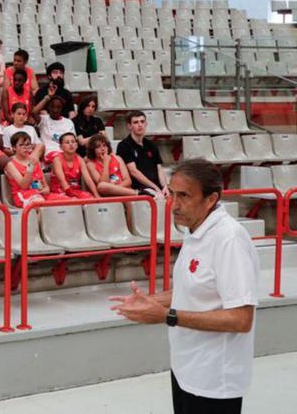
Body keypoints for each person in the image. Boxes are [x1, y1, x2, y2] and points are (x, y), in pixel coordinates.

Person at [110, 158, 258, 414]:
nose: (174, 205)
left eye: (184, 196)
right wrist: (152, 301)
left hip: (214, 380)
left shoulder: (228, 239)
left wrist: (166, 315)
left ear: (210, 199)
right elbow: (193, 290)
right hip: (186, 368)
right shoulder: (195, 229)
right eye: (172, 193)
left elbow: (241, 318)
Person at [116, 111, 168, 197]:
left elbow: (159, 168)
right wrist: (155, 187)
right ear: (129, 126)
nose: (140, 125)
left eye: (142, 121)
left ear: (146, 124)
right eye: (136, 122)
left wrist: (164, 186)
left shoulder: (151, 145)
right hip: (139, 188)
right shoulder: (124, 145)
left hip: (156, 187)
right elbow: (134, 172)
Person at [49, 133, 98, 199]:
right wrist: (73, 196)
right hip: (59, 193)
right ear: (61, 147)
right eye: (67, 142)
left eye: (73, 142)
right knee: (72, 201)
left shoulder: (80, 159)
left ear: (77, 145)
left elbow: (88, 180)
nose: (71, 144)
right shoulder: (57, 159)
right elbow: (62, 181)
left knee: (90, 198)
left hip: (76, 192)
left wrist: (96, 195)